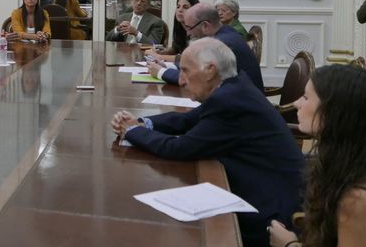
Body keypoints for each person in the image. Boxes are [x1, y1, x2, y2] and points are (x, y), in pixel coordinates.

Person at [111, 38, 303, 247]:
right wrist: (141, 122)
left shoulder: (229, 101)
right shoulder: (234, 87)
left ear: (210, 70)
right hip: (267, 192)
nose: (181, 80)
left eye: (185, 71)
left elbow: (179, 148)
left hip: (270, 217)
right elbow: (187, 119)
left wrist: (132, 131)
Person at [269, 65, 366, 247]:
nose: (297, 103)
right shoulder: (362, 164)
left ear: (334, 113)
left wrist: (289, 245)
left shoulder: (359, 196)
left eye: (306, 97)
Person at [150, 3, 263, 90]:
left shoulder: (221, 44)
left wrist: (161, 72)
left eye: (189, 27)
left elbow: (200, 79)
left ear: (205, 25)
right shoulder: (226, 32)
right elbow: (199, 67)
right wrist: (168, 66)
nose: (188, 33)